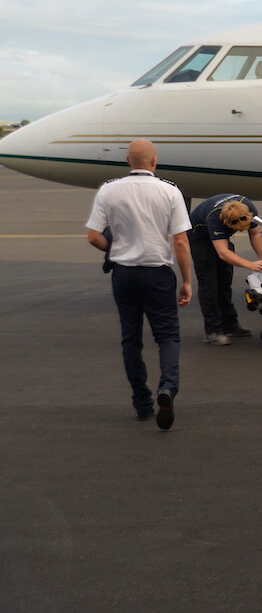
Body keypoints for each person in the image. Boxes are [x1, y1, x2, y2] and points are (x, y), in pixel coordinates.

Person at [85, 138, 192, 430]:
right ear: (154, 162)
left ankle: (141, 401)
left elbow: (94, 237)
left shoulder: (109, 190)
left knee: (131, 340)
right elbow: (180, 240)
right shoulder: (170, 191)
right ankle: (167, 387)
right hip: (157, 273)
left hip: (124, 274)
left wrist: (114, 249)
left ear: (127, 161)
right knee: (168, 336)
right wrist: (186, 281)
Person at [188, 194, 262, 346]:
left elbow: (255, 233)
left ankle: (230, 324)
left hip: (221, 236)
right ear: (226, 223)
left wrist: (261, 258)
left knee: (225, 280)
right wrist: (250, 265)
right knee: (209, 284)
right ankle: (213, 331)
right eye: (236, 229)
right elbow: (223, 253)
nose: (239, 232)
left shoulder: (248, 207)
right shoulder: (215, 219)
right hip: (200, 237)